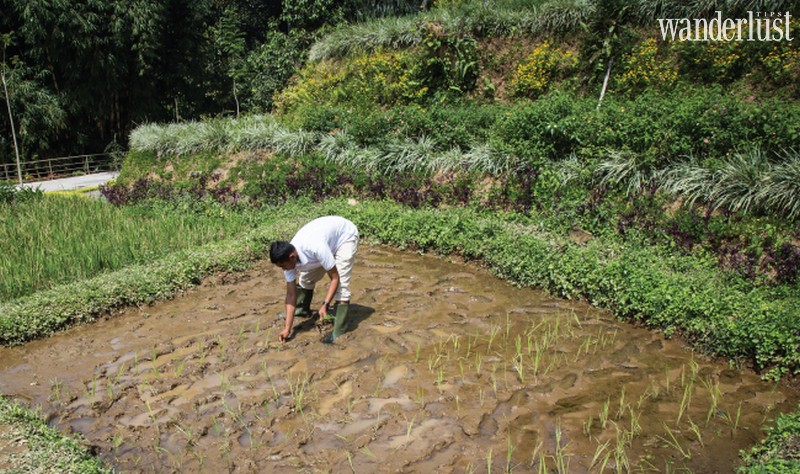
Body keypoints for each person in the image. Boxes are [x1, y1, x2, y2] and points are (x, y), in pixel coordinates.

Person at [269, 216, 359, 343]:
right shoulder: (289, 258)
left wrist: (325, 304)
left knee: (341, 287)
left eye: (283, 266)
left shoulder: (316, 247)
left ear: (292, 256)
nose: (283, 269)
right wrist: (287, 328)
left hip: (345, 237)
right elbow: (290, 295)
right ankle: (302, 309)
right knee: (305, 279)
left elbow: (334, 278)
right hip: (324, 241)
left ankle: (340, 329)